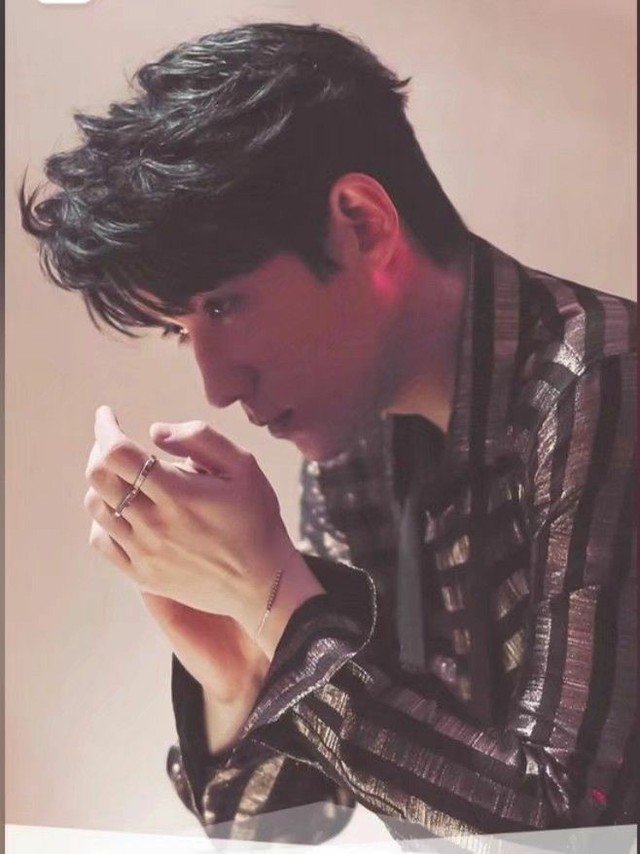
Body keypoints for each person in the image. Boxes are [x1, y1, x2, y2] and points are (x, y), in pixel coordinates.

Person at [20, 21, 636, 846]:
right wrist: (236, 672)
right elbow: (283, 823)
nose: (216, 385)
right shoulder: (353, 453)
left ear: (362, 224)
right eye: (180, 329)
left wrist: (269, 596)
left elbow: (571, 832)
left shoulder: (603, 380)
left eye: (225, 304)